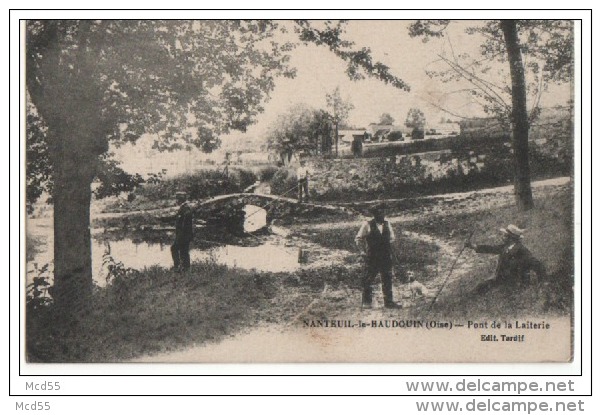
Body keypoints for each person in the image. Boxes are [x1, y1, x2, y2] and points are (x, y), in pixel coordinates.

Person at [465, 224, 546, 288]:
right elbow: (491, 249)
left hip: (515, 284)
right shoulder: (506, 246)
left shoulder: (521, 249)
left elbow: (537, 265)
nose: (503, 237)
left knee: (483, 288)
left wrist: (542, 282)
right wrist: (472, 246)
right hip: (502, 280)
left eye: (505, 235)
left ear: (511, 237)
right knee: (480, 287)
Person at [355, 206, 402, 309]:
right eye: (378, 213)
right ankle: (366, 302)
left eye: (383, 213)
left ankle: (388, 302)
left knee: (387, 278)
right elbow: (358, 239)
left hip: (385, 256)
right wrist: (362, 251)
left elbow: (391, 239)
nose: (381, 215)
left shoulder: (387, 224)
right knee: (369, 278)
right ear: (374, 215)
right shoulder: (367, 224)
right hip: (372, 256)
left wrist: (393, 253)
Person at [171, 191, 194, 272]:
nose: (176, 201)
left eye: (177, 199)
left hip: (183, 235)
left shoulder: (185, 209)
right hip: (184, 235)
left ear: (179, 200)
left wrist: (180, 236)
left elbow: (185, 225)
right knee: (184, 251)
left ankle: (177, 266)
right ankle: (185, 268)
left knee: (175, 249)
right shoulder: (184, 208)